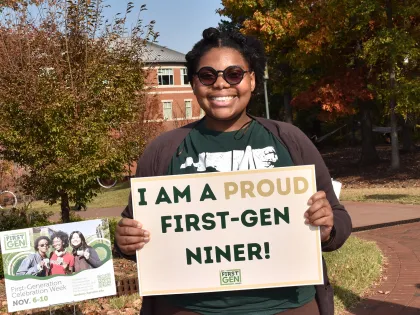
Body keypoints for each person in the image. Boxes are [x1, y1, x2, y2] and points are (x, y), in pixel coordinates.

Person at [115, 27, 352, 315]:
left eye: (234, 74)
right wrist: (126, 242)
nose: (221, 84)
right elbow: (134, 228)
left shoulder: (289, 140)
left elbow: (338, 217)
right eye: (207, 76)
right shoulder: (163, 150)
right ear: (194, 84)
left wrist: (327, 229)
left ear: (252, 80)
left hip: (287, 305)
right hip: (188, 307)